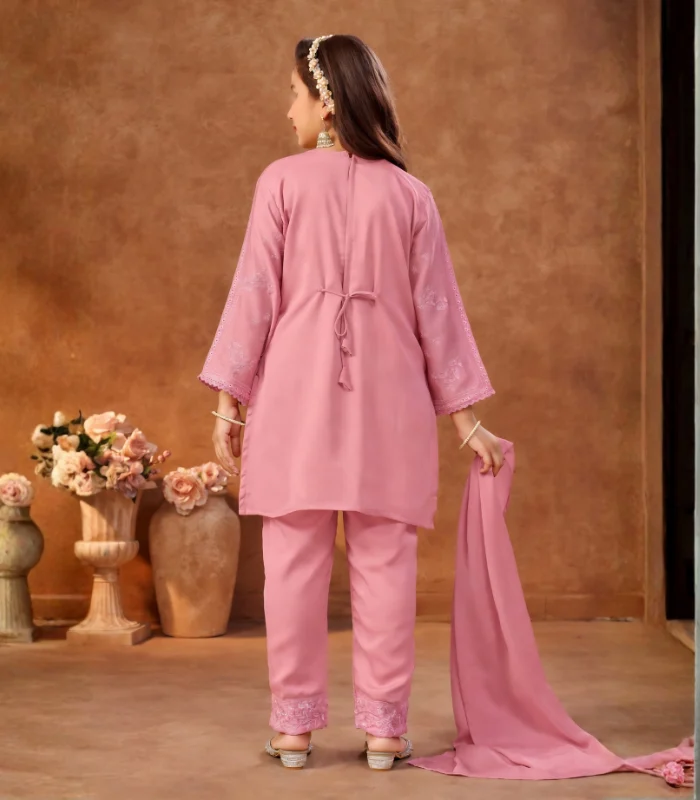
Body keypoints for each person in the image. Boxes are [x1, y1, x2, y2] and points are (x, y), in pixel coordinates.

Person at [198, 34, 504, 771]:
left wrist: (230, 403)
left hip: (295, 403)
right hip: (388, 407)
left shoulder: (280, 183)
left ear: (327, 101)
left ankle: (294, 731)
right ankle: (385, 734)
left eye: (295, 95)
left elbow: (254, 295)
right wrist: (467, 423)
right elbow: (438, 314)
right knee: (386, 565)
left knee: (292, 568)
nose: (288, 111)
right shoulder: (411, 195)